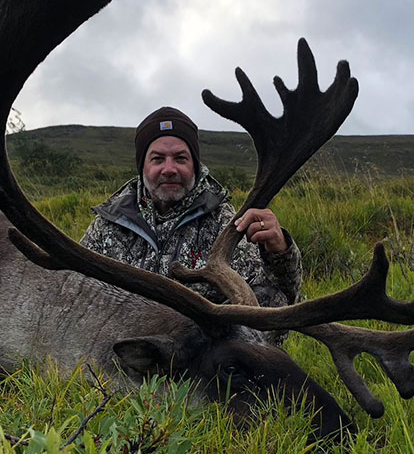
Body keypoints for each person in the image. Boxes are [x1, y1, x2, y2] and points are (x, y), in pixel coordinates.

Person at [80, 107, 302, 318]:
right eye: (157, 159)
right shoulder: (108, 225)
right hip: (122, 339)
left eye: (180, 158)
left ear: (194, 165)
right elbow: (73, 288)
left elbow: (279, 297)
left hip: (200, 342)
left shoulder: (225, 223)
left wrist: (280, 253)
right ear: (142, 167)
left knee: (270, 301)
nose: (169, 169)